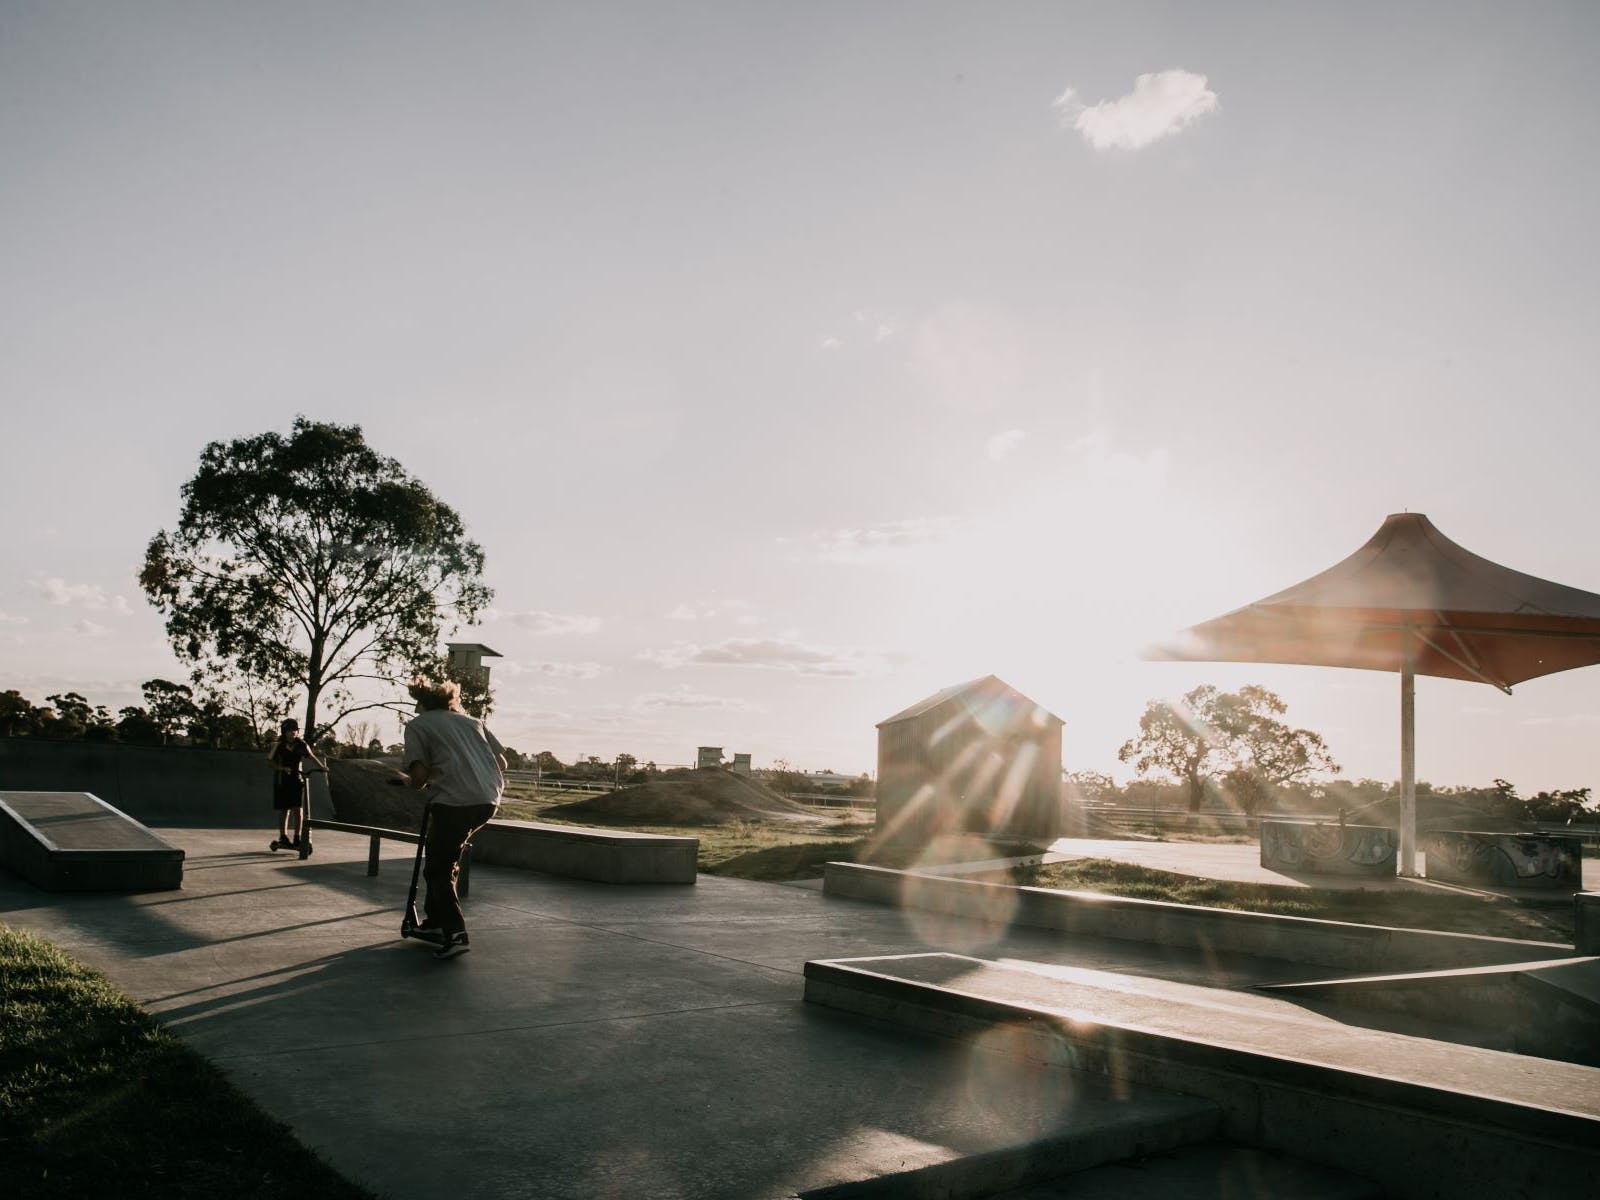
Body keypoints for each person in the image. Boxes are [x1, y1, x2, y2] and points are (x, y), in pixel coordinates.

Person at [402, 676, 506, 958]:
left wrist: (409, 781)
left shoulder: (418, 725)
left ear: (423, 703)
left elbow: (419, 777)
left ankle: (456, 933)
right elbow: (501, 762)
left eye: (416, 704)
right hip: (487, 800)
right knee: (442, 860)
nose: (415, 710)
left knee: (439, 868)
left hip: (454, 802)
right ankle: (436, 921)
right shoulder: (473, 722)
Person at [268, 718, 326, 850]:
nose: (293, 732)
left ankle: (297, 837)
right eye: (289, 730)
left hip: (297, 779)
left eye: (295, 730)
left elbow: (311, 757)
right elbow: (270, 761)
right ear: (284, 732)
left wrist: (322, 767)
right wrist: (282, 768)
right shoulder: (279, 745)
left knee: (297, 809)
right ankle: (283, 837)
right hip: (283, 780)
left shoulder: (301, 744)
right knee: (284, 810)